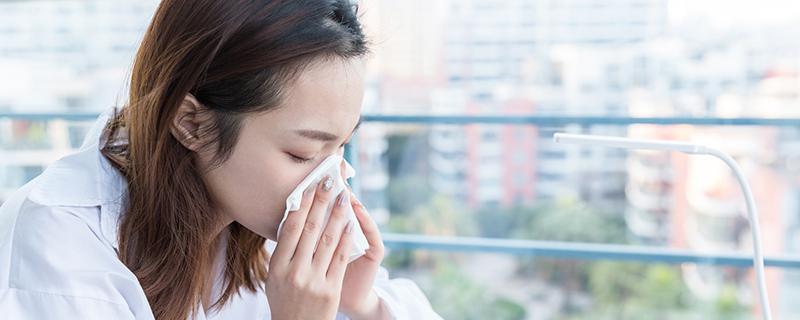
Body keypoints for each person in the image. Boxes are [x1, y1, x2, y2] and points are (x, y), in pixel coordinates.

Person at [0, 0, 442, 319]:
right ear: (191, 123)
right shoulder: (57, 238)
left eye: (341, 147)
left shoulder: (261, 218)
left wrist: (363, 304)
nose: (332, 183)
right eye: (303, 153)